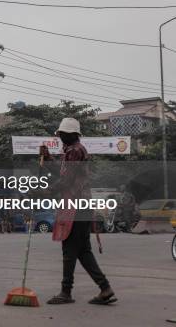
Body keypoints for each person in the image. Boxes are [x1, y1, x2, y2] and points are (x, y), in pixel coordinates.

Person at [46, 118, 116, 305]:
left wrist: (46, 191)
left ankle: (66, 291)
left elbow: (66, 180)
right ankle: (105, 288)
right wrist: (49, 161)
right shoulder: (73, 150)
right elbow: (65, 173)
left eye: (62, 134)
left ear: (71, 135)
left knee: (69, 249)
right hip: (82, 204)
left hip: (75, 205)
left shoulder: (74, 150)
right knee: (83, 250)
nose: (60, 137)